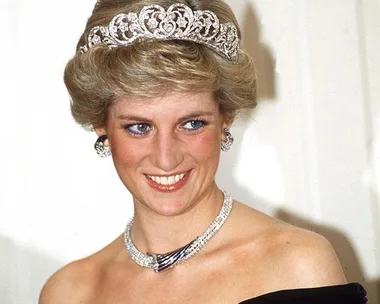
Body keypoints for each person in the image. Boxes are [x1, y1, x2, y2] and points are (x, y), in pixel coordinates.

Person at [40, 1, 367, 303]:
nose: (166, 158)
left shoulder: (297, 267)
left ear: (226, 117)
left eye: (192, 124)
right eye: (139, 127)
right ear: (102, 125)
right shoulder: (69, 292)